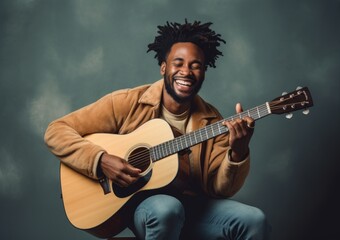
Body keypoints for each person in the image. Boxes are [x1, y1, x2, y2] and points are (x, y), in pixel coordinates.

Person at [44, 20, 270, 240]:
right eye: (178, 63)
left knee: (254, 220)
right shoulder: (126, 102)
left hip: (192, 208)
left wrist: (237, 153)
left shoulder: (212, 121)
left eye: (196, 65)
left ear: (203, 73)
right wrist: (101, 160)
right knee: (167, 209)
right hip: (142, 207)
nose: (186, 72)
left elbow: (219, 189)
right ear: (164, 67)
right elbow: (56, 131)